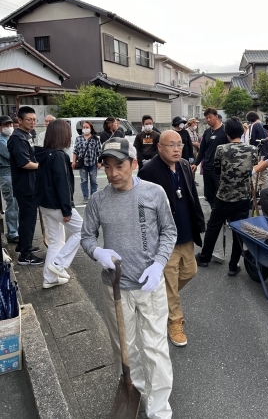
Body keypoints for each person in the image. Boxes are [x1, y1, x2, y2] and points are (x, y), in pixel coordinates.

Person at [81, 137, 177, 419]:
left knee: (156, 348)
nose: (113, 173)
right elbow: (86, 236)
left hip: (150, 286)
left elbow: (169, 231)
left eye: (119, 165)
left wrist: (159, 265)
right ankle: (136, 394)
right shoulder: (98, 200)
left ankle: (159, 409)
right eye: (107, 167)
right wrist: (97, 251)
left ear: (134, 164)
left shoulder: (154, 192)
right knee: (125, 350)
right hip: (115, 289)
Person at [139, 130, 205, 347]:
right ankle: (174, 320)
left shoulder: (185, 165)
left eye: (179, 144)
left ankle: (160, 299)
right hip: (165, 239)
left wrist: (199, 222)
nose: (177, 149)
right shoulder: (149, 171)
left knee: (190, 271)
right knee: (169, 284)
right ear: (159, 147)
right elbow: (145, 209)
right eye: (171, 145)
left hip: (186, 233)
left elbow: (192, 196)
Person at [195, 117, 257, 275]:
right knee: (239, 230)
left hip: (224, 196)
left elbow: (217, 170)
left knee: (213, 226)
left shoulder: (221, 149)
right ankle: (233, 266)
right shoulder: (252, 150)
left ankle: (204, 257)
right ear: (241, 132)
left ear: (227, 133)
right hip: (243, 197)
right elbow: (252, 168)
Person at [35, 120, 83, 289]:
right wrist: (66, 208)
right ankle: (59, 265)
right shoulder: (59, 155)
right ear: (62, 135)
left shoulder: (42, 154)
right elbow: (62, 184)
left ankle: (49, 278)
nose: (70, 136)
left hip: (45, 205)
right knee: (83, 230)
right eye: (68, 133)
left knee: (56, 240)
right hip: (57, 205)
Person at [7, 106, 43, 265]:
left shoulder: (26, 135)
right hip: (25, 185)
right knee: (28, 219)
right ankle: (25, 256)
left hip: (29, 184)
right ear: (19, 120)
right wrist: (42, 166)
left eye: (34, 119)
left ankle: (23, 246)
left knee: (26, 218)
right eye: (29, 120)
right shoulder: (17, 139)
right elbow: (24, 163)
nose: (33, 122)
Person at [191, 108, 228, 207]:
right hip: (207, 167)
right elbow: (202, 150)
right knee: (209, 194)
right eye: (206, 118)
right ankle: (214, 212)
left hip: (219, 169)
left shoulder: (225, 131)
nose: (208, 120)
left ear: (216, 117)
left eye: (210, 117)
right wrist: (195, 163)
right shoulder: (207, 132)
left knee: (221, 193)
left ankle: (222, 215)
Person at [72, 121, 102, 203]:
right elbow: (75, 151)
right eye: (84, 127)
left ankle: (93, 197)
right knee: (84, 181)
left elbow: (99, 152)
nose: (85, 129)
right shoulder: (78, 139)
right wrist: (74, 161)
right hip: (82, 164)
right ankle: (85, 197)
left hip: (92, 163)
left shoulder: (95, 139)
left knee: (94, 181)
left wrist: (99, 162)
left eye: (87, 127)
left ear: (91, 128)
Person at [0, 115, 19, 244]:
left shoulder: (7, 138)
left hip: (12, 173)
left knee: (16, 204)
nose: (9, 127)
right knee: (12, 204)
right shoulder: (1, 141)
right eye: (6, 125)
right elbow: (12, 155)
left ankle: (15, 231)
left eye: (10, 124)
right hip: (7, 174)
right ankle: (12, 233)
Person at [247, 111, 268, 191]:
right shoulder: (264, 125)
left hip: (257, 153)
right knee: (264, 175)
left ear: (250, 120)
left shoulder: (254, 125)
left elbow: (251, 139)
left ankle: (254, 196)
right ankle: (264, 193)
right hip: (266, 153)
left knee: (255, 175)